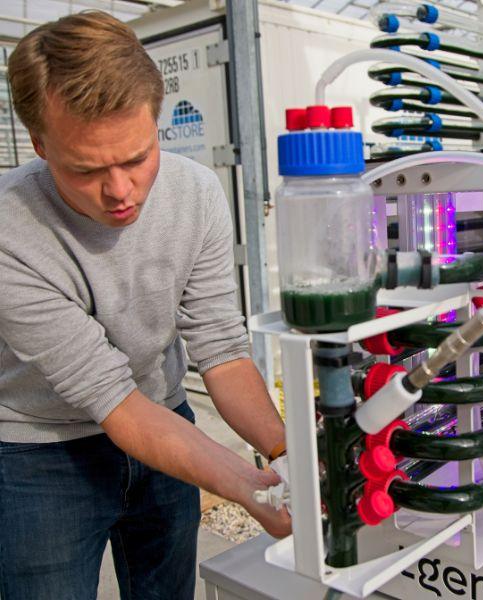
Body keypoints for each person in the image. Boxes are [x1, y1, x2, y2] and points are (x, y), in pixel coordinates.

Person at [0, 11, 291, 600]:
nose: (120, 192)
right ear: (39, 144)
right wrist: (249, 487)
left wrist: (293, 460)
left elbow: (223, 350)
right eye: (85, 169)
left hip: (167, 422)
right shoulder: (10, 228)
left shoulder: (195, 193)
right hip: (39, 456)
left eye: (136, 158)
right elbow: (114, 401)